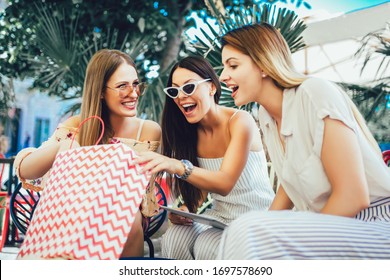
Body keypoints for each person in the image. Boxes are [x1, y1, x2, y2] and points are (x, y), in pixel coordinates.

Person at [216, 22, 390, 259]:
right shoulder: (266, 116)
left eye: (233, 65)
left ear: (264, 64)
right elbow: (288, 184)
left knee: (249, 230)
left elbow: (352, 196)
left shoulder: (314, 93)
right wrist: (265, 223)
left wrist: (269, 231)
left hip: (375, 223)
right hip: (334, 223)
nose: (223, 76)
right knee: (247, 229)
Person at [13, 49, 161, 258]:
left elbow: (137, 192)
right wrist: (67, 142)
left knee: (125, 219)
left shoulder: (148, 130)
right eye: (122, 86)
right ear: (100, 91)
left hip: (125, 216)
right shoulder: (77, 125)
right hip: (79, 215)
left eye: (136, 84)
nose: (134, 93)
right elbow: (27, 170)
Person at [134, 56, 275, 260]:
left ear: (211, 87)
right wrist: (186, 210)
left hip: (257, 215)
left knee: (207, 245)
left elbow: (224, 183)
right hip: (220, 217)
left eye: (189, 88)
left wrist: (177, 166)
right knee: (174, 236)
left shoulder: (240, 121)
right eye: (174, 91)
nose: (181, 96)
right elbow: (201, 187)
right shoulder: (190, 132)